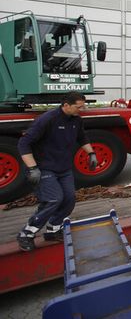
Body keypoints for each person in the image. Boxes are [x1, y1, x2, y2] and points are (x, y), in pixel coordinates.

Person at [16, 91, 98, 251]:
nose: (81, 109)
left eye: (83, 106)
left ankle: (53, 229)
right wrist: (32, 168)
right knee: (53, 199)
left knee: (69, 199)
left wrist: (91, 153)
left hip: (64, 168)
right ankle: (26, 233)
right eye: (78, 107)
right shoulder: (48, 119)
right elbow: (23, 144)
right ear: (66, 105)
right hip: (44, 167)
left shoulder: (76, 120)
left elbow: (82, 137)